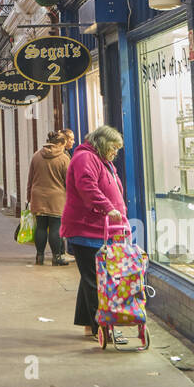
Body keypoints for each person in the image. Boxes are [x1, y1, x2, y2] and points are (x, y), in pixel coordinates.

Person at [60, 125, 128, 342]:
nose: (115, 153)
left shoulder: (101, 161)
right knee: (97, 280)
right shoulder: (85, 159)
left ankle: (89, 325)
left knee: (90, 277)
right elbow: (87, 187)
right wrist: (108, 208)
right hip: (86, 228)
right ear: (102, 143)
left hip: (99, 228)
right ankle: (104, 328)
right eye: (113, 148)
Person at [26, 130, 71, 266]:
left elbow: (31, 179)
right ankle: (56, 257)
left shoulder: (36, 156)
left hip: (38, 195)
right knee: (55, 227)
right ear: (61, 144)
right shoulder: (64, 159)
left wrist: (29, 196)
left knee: (40, 227)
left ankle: (39, 256)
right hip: (57, 198)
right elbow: (69, 181)